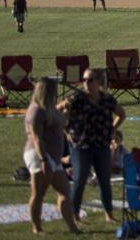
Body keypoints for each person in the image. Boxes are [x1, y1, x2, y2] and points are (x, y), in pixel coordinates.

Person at [60, 67, 126, 224]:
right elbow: (60, 113)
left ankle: (109, 215)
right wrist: (68, 132)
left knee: (104, 181)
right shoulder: (77, 98)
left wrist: (112, 129)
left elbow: (121, 114)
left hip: (102, 145)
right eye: (84, 80)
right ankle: (75, 215)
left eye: (89, 80)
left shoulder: (107, 99)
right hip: (81, 146)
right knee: (80, 181)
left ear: (98, 82)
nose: (85, 83)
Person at [25, 77, 79, 234]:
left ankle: (73, 228)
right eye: (54, 89)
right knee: (39, 194)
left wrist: (67, 112)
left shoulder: (50, 108)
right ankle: (37, 228)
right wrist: (43, 160)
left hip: (53, 158)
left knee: (65, 191)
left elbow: (61, 123)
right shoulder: (36, 111)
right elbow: (37, 138)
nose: (56, 92)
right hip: (39, 155)